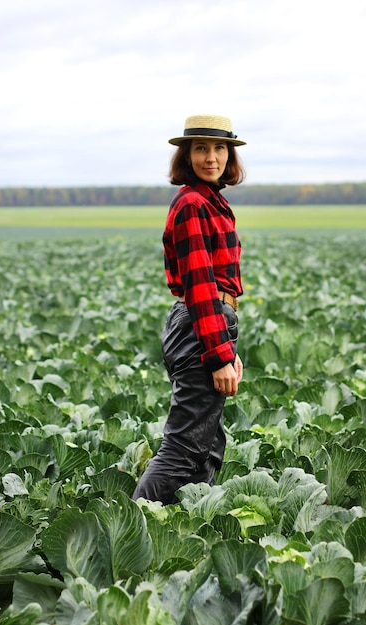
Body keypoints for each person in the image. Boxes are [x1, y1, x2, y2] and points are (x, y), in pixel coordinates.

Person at [132, 114, 246, 505]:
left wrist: (228, 350)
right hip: (201, 324)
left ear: (229, 155)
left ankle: (188, 527)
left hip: (209, 324)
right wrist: (218, 356)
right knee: (183, 448)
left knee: (209, 446)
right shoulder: (193, 205)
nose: (210, 157)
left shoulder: (212, 201)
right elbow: (200, 287)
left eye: (219, 148)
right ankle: (135, 522)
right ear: (187, 155)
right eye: (200, 148)